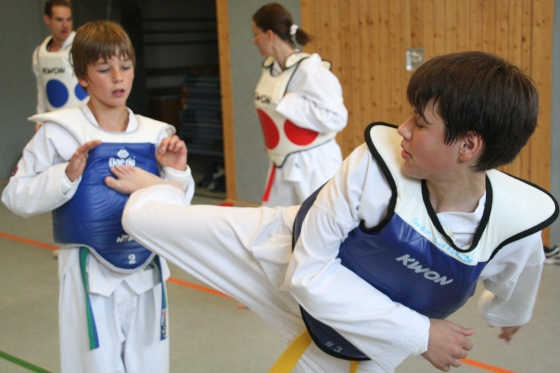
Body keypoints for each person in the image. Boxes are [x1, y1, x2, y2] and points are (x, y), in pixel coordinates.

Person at [108, 52, 558, 373]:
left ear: (468, 146)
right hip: (278, 255)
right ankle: (160, 186)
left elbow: (516, 287)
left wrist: (508, 319)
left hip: (353, 327)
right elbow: (308, 274)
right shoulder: (372, 166)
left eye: (420, 123)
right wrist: (422, 334)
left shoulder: (512, 227)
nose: (401, 128)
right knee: (138, 218)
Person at [2, 21, 194, 373]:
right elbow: (15, 196)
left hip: (146, 273)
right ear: (83, 78)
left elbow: (179, 208)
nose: (118, 78)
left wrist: (176, 171)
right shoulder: (60, 133)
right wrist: (67, 174)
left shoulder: (158, 134)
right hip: (87, 273)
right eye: (105, 70)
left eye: (125, 66)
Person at [252, 3, 347, 207]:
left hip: (314, 165)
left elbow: (338, 118)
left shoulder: (311, 70)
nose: (254, 40)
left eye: (256, 34)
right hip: (282, 162)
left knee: (319, 225)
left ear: (269, 34)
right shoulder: (271, 69)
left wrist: (291, 102)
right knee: (275, 226)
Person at [33, 0, 89, 131]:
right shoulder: (39, 53)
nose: (65, 25)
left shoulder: (81, 48)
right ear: (47, 19)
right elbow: (41, 90)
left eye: (69, 20)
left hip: (83, 121)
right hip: (55, 122)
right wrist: (40, 119)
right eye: (59, 20)